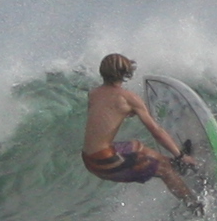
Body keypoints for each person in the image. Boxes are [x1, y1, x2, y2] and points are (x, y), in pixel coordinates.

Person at [82, 53, 202, 209]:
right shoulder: (128, 98)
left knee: (135, 147)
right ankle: (197, 207)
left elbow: (105, 114)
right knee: (164, 170)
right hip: (105, 161)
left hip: (89, 158)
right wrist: (180, 154)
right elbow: (155, 130)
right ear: (126, 73)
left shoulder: (93, 94)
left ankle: (176, 164)